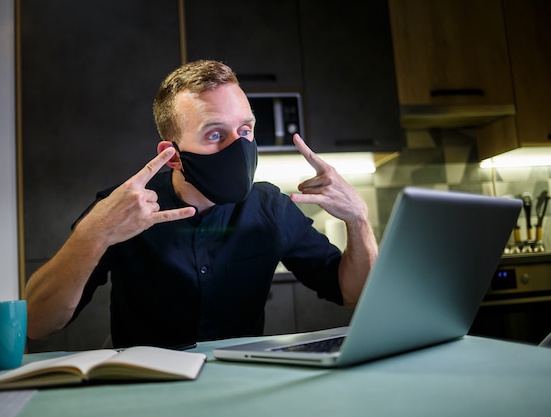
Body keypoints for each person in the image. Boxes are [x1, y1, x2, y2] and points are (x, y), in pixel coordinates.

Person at [25, 60, 378, 349]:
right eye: (214, 134)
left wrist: (358, 219)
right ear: (173, 156)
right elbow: (38, 324)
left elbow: (353, 293)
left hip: (241, 386)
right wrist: (95, 233)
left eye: (245, 130)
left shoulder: (271, 207)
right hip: (148, 391)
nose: (237, 147)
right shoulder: (123, 209)